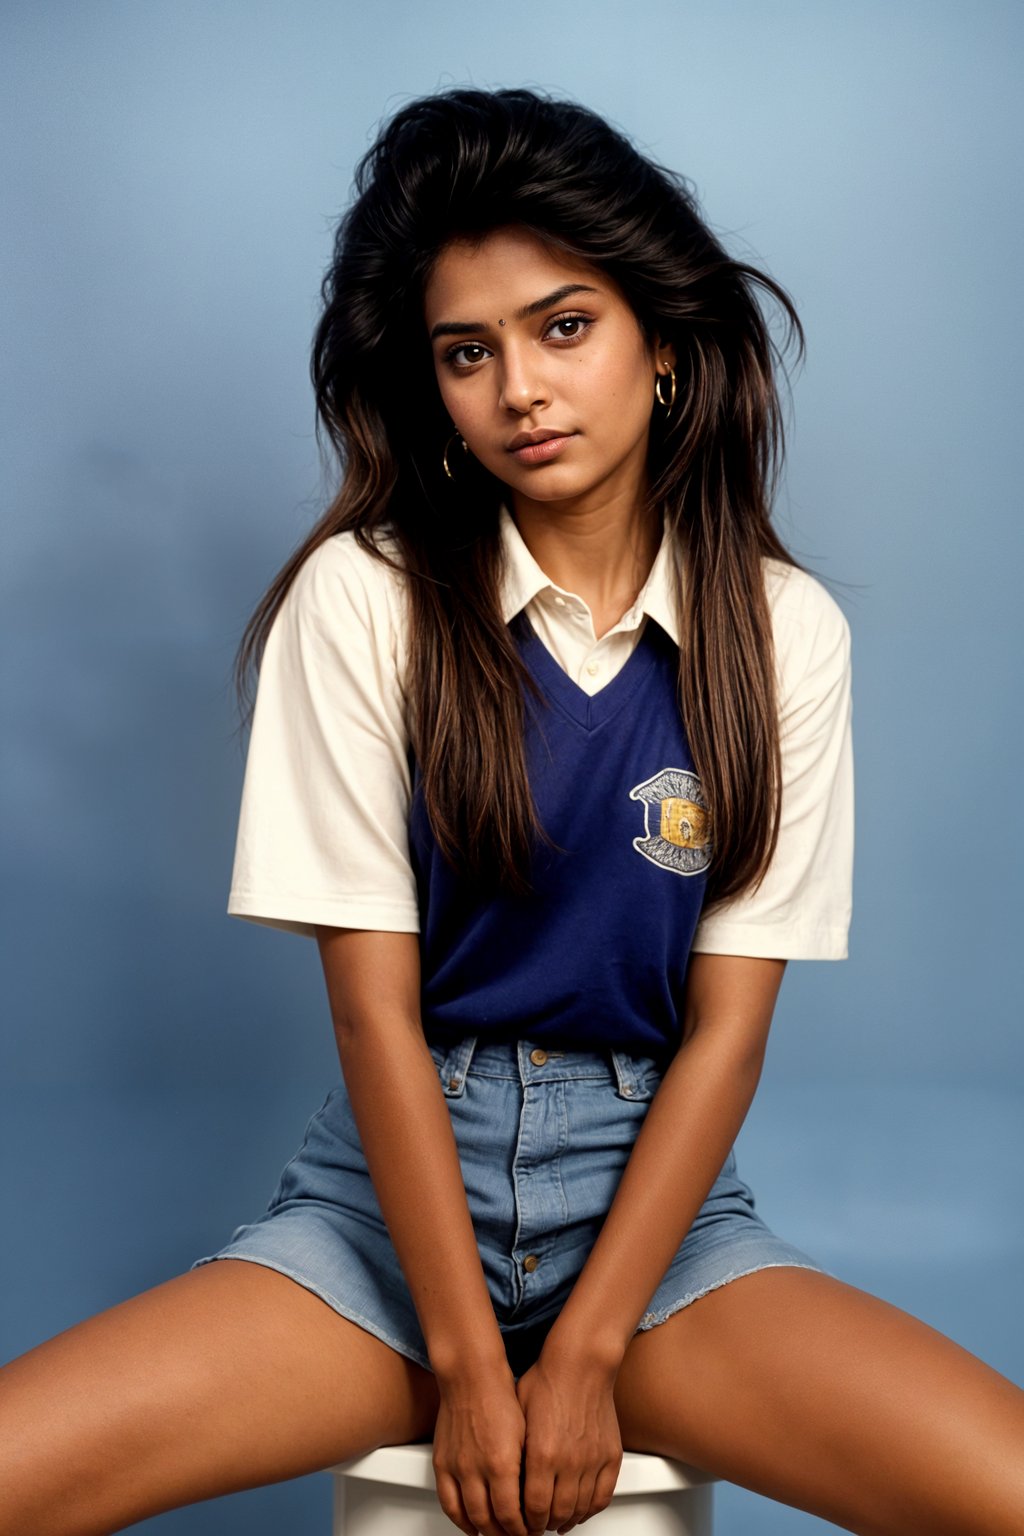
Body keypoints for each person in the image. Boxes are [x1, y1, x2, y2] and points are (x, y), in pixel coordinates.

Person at [1, 85, 1021, 1536]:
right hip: (382, 1219)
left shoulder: (784, 631)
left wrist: (593, 1348)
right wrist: (471, 1364)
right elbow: (371, 1014)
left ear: (661, 344)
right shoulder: (363, 602)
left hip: (658, 1231)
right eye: (466, 354)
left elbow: (729, 1029)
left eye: (563, 327)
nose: (521, 391)